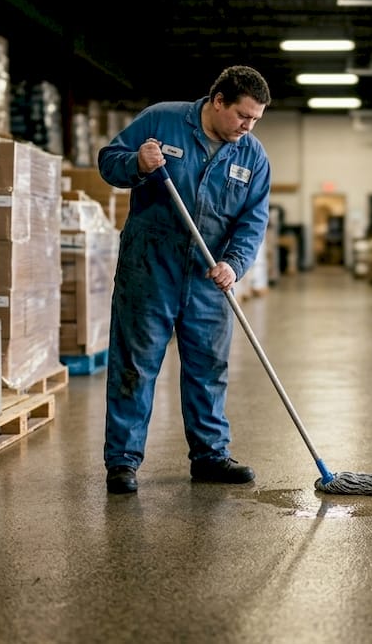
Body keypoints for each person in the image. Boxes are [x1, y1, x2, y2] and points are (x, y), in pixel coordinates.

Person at [98, 66, 273, 494]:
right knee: (135, 366)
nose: (247, 128)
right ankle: (122, 462)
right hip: (150, 266)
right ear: (217, 101)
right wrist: (137, 162)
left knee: (208, 368)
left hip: (208, 273)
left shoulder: (252, 156)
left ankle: (210, 456)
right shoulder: (162, 120)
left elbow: (253, 221)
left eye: (255, 120)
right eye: (242, 116)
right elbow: (108, 162)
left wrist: (234, 264)